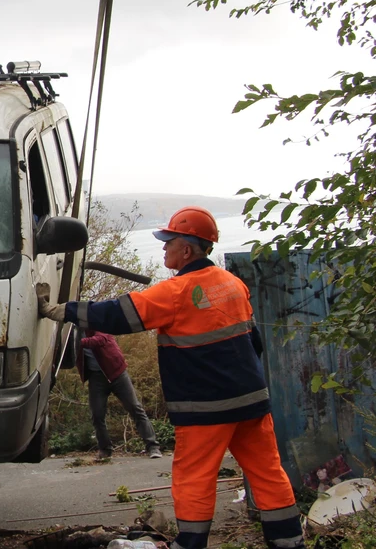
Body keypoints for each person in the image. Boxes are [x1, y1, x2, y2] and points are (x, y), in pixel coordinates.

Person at [37, 206, 303, 549]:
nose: (163, 249)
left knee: (193, 478)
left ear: (187, 250)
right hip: (252, 401)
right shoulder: (233, 285)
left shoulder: (176, 293)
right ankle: (289, 542)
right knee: (268, 473)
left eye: (168, 243)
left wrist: (63, 310)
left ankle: (190, 544)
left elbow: (117, 314)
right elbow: (255, 343)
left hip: (205, 408)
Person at [76, 328, 162, 460]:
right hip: (96, 378)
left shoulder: (96, 319)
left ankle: (153, 447)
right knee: (97, 415)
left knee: (135, 408)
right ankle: (105, 450)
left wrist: (79, 343)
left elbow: (102, 338)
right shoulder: (72, 332)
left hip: (117, 373)